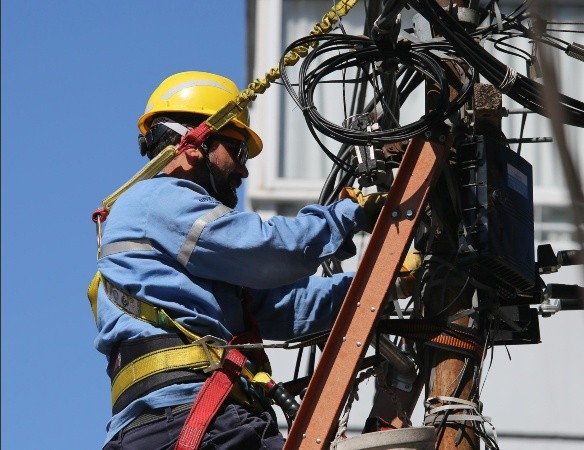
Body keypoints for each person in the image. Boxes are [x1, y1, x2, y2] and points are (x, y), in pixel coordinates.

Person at [92, 71, 382, 449]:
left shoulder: (189, 253)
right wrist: (348, 214)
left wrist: (383, 283)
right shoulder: (157, 200)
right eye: (237, 150)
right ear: (193, 142)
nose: (244, 169)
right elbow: (264, 250)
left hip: (177, 423)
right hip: (190, 419)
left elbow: (283, 307)